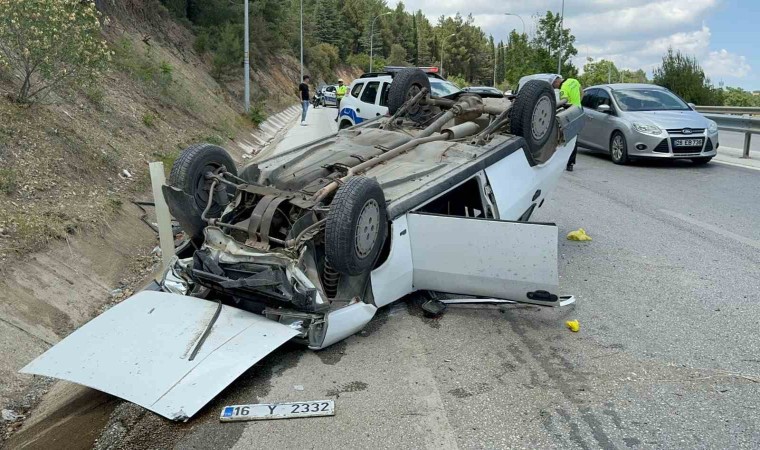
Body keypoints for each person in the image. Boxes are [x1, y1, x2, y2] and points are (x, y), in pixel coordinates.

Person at [553, 75, 582, 171]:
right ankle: (571, 163)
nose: (555, 87)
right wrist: (578, 103)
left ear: (557, 81)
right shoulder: (574, 80)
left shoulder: (563, 87)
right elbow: (582, 93)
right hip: (578, 111)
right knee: (574, 139)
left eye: (554, 85)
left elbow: (563, 102)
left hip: (569, 114)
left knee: (565, 138)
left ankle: (565, 162)